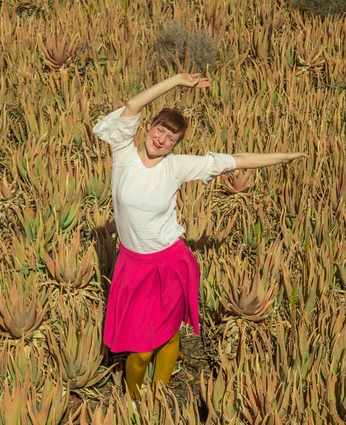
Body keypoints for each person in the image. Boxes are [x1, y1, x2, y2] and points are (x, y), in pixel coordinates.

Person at [93, 73, 308, 403]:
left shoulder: (176, 166)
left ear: (177, 145)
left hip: (170, 262)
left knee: (167, 337)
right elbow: (134, 103)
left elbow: (235, 160)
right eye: (160, 130)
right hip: (133, 266)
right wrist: (177, 80)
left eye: (171, 138)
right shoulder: (123, 154)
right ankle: (135, 402)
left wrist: (284, 158)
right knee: (139, 353)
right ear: (148, 127)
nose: (162, 140)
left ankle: (159, 396)